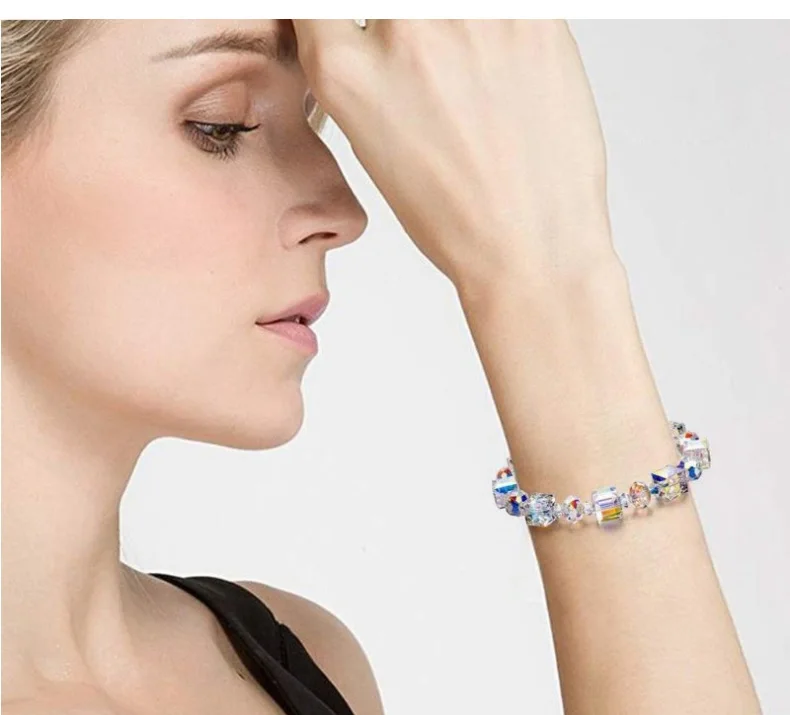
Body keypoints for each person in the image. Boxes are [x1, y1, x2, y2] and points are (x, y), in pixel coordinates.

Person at [1, 19, 761, 715]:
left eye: (310, 115)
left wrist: (549, 279)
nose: (344, 209)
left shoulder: (300, 660)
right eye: (222, 124)